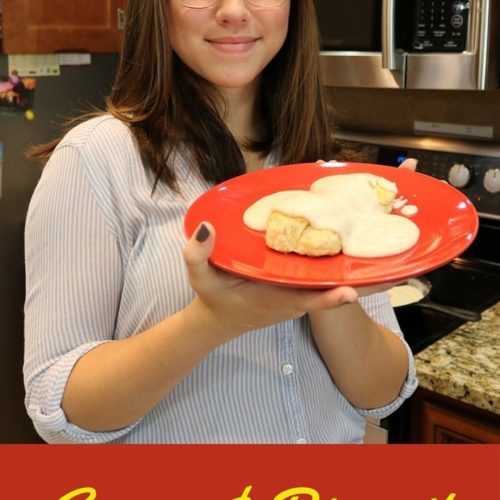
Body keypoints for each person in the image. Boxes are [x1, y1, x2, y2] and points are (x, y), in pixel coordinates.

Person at [23, 0, 418, 444]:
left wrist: (328, 284)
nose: (233, 10)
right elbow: (58, 408)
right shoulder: (97, 159)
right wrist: (213, 320)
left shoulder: (324, 176)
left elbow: (381, 394)